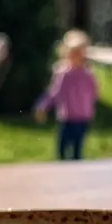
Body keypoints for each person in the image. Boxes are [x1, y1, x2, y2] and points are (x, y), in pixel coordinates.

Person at [35, 30, 99, 161]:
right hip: (67, 117)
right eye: (73, 53)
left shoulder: (88, 75)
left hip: (82, 118)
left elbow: (94, 93)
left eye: (79, 53)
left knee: (77, 150)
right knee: (62, 148)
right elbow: (55, 92)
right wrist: (43, 105)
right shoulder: (63, 74)